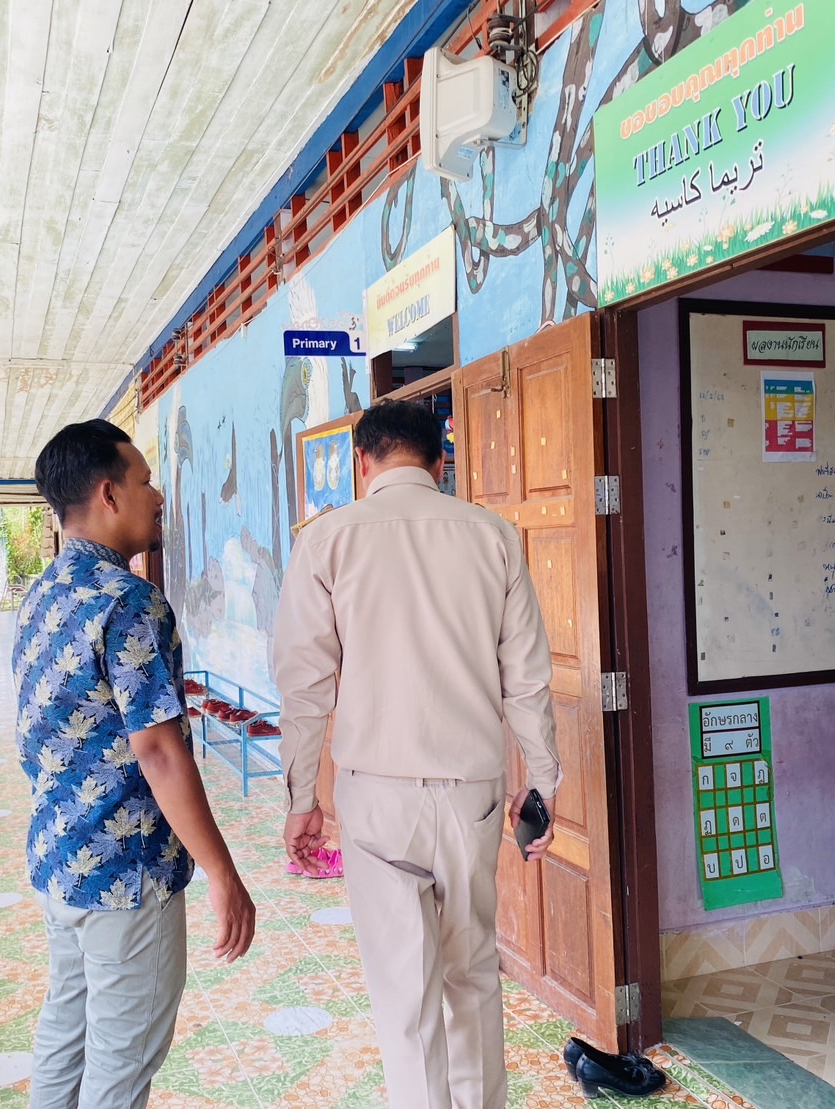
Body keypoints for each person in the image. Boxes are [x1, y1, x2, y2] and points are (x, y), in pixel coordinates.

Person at [274, 399, 560, 1109]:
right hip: (472, 793)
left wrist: (302, 800)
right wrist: (543, 783)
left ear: (361, 462)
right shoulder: (492, 536)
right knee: (473, 973)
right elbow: (527, 678)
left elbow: (304, 688)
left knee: (405, 996)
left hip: (376, 797)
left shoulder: (326, 541)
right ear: (439, 460)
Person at [15, 419, 255, 1108]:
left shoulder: (42, 596)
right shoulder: (128, 601)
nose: (158, 496)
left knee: (65, 1037)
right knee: (121, 1067)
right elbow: (157, 748)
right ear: (108, 493)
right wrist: (222, 872)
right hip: (127, 876)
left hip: (61, 861)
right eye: (145, 481)